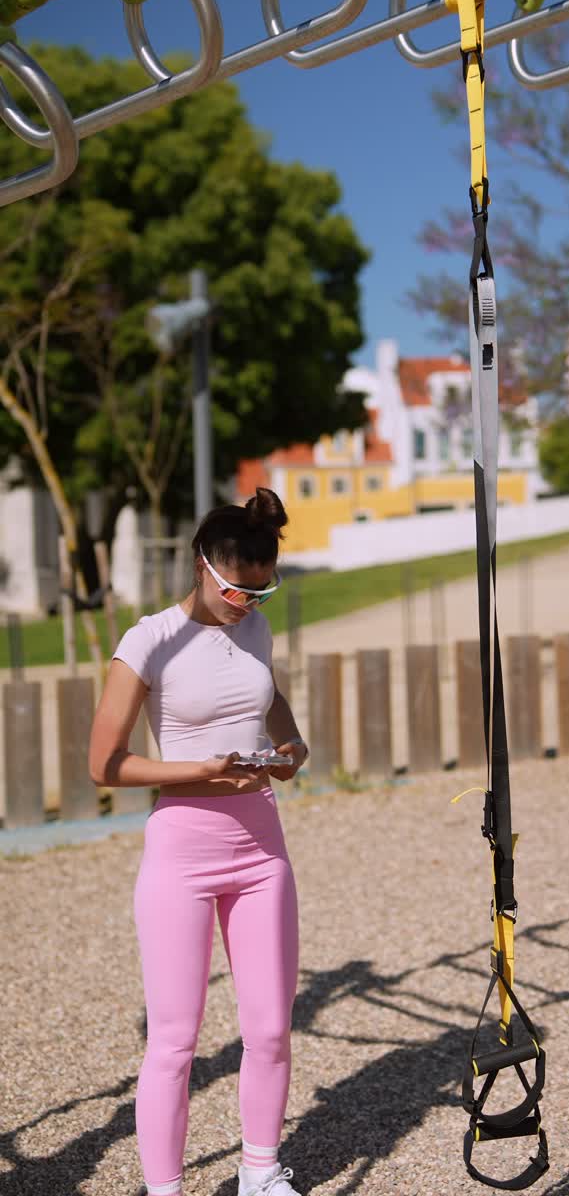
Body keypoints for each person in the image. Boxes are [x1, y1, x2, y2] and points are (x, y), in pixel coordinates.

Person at [89, 489, 308, 1196]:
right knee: (175, 1042)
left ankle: (260, 1171)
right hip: (181, 852)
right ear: (201, 565)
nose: (248, 600)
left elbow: (265, 696)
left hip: (262, 848)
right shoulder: (148, 640)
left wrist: (291, 743)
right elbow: (105, 764)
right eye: (237, 587)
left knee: (272, 1029)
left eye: (261, 587)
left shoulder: (256, 629)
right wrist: (200, 770)